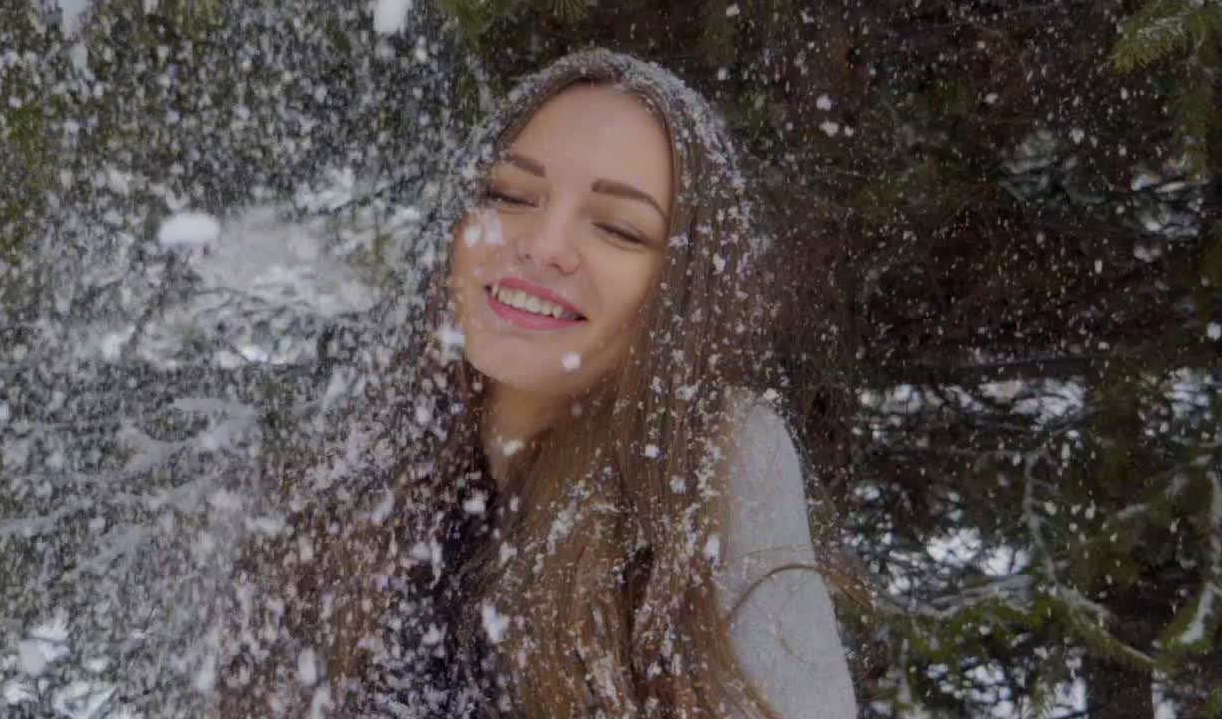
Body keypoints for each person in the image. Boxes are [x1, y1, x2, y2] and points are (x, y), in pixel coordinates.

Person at [217, 49, 857, 718]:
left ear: (681, 292)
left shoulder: (713, 464)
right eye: (509, 195)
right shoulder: (351, 469)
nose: (543, 243)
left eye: (618, 227)